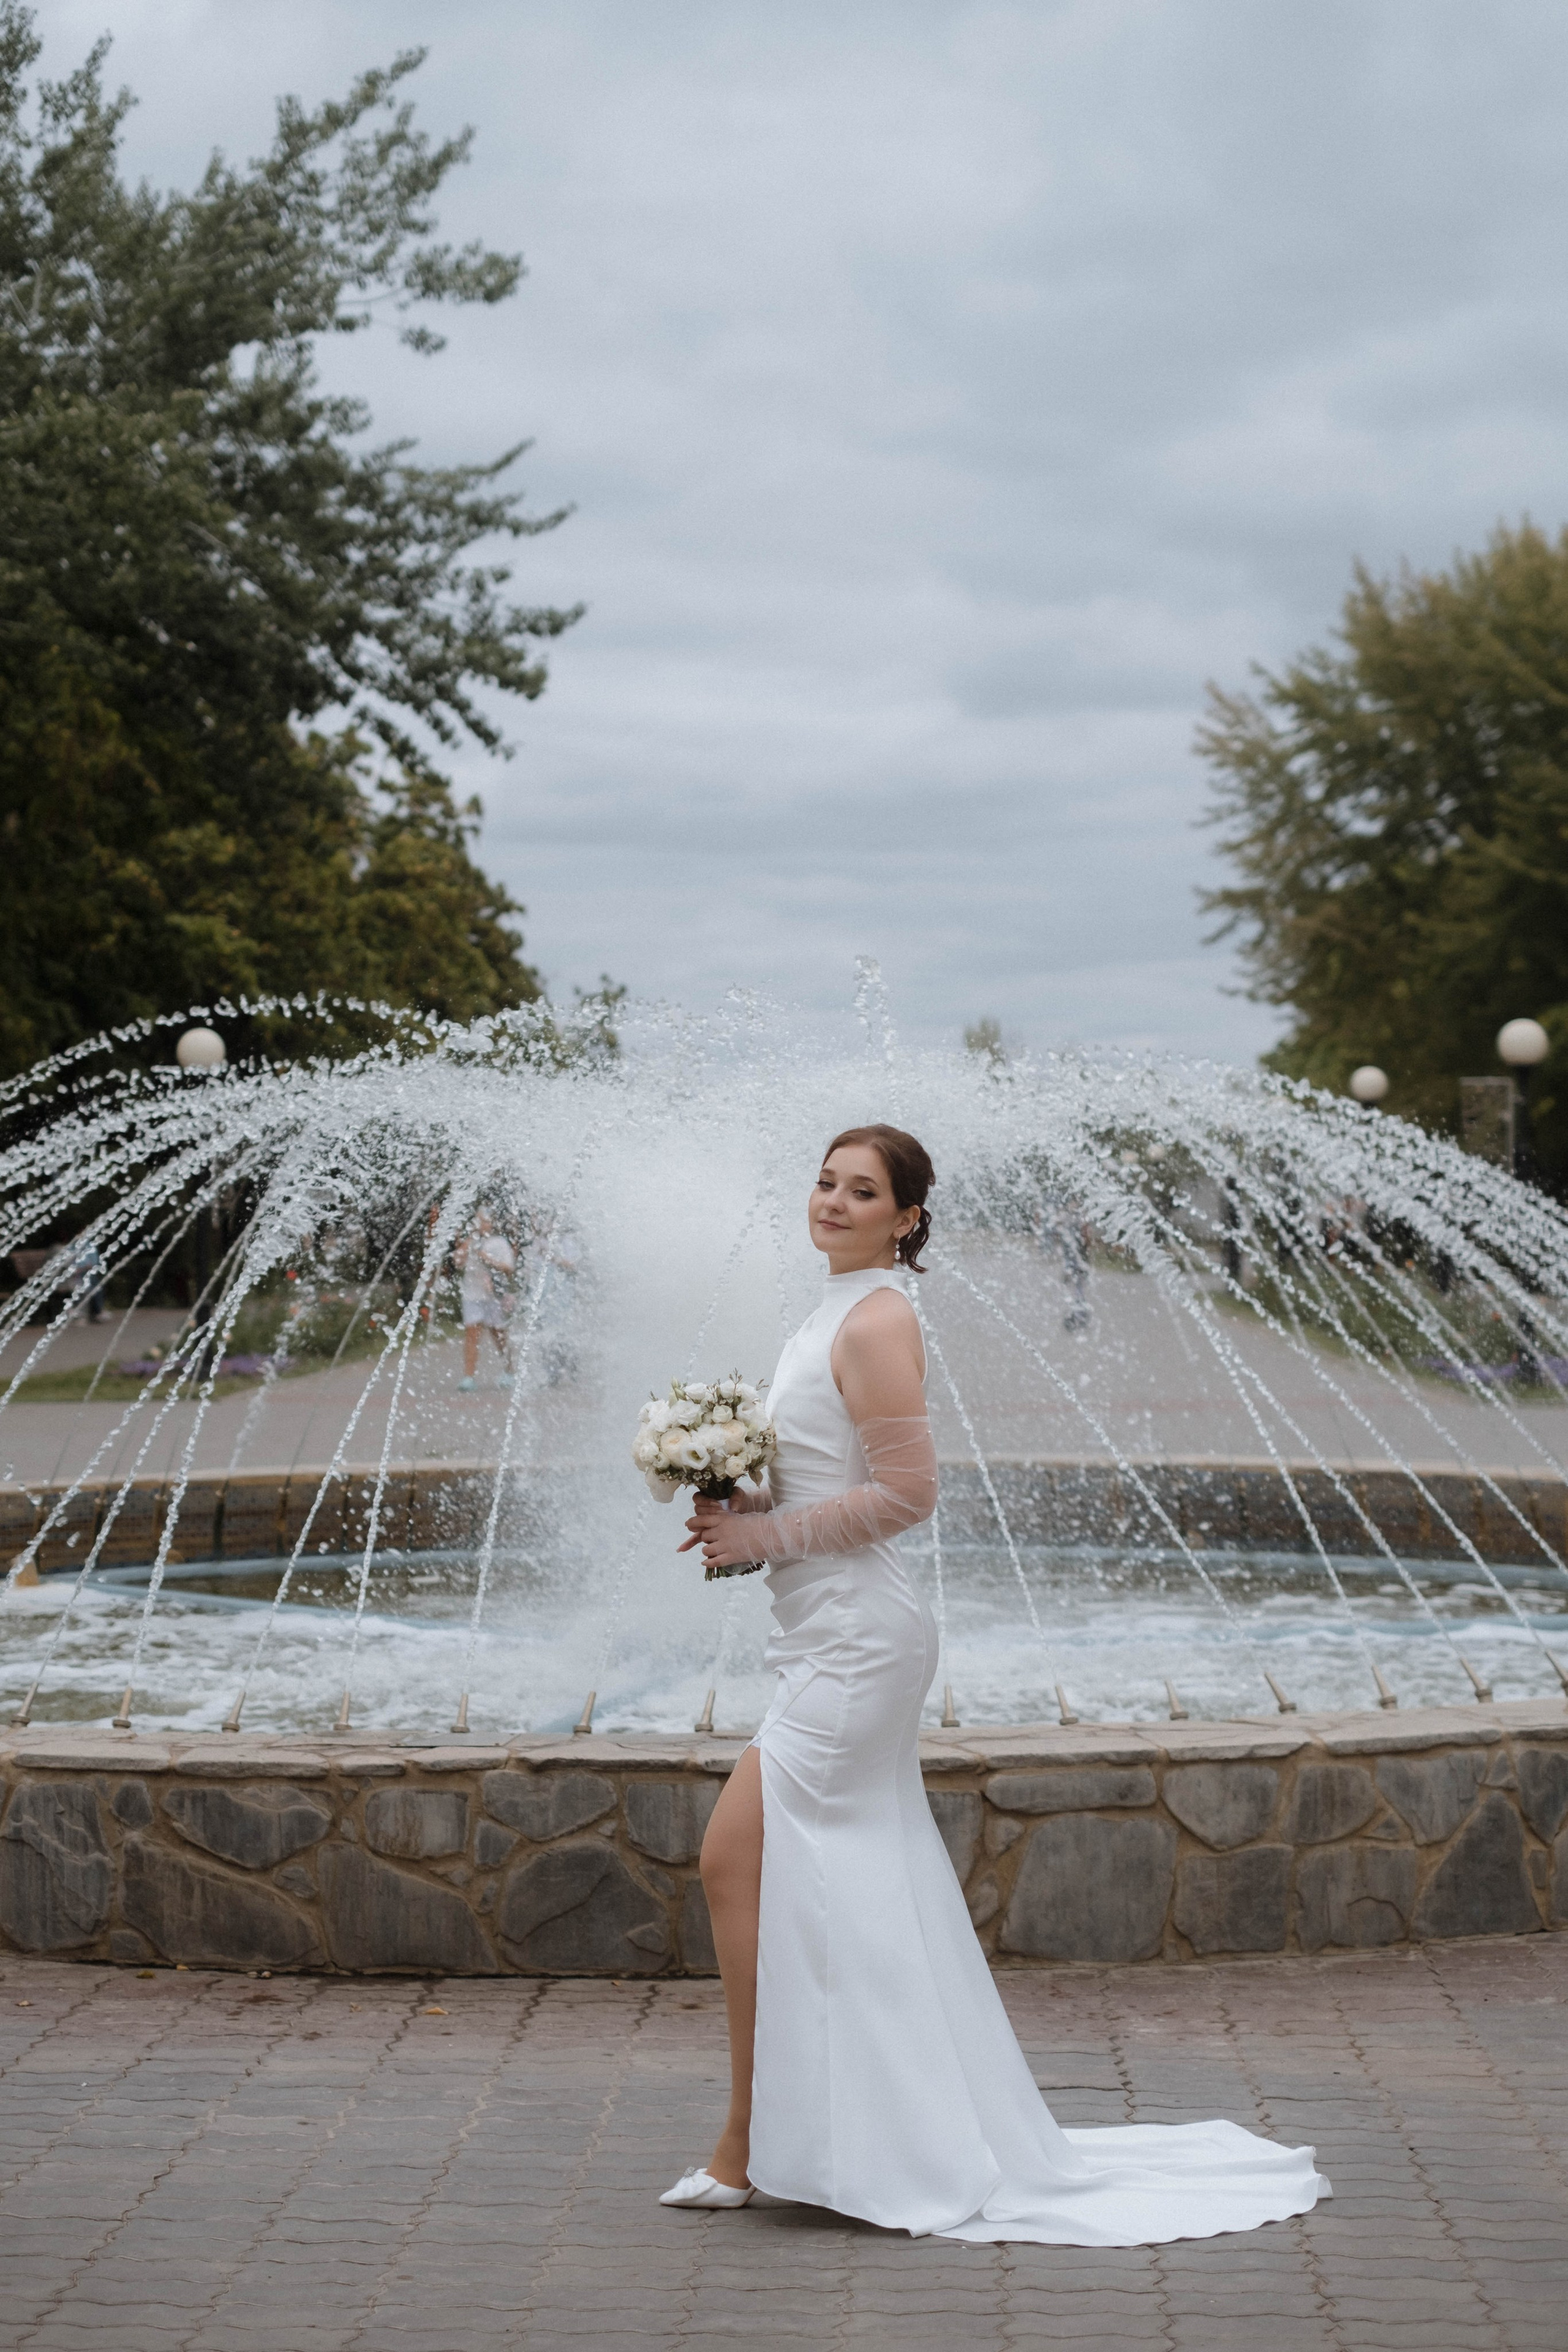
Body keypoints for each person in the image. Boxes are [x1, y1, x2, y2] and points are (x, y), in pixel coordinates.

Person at [661, 1123, 1329, 2245]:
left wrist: (765, 1536)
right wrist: (740, 1505)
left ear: (906, 1218)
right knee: (848, 1887)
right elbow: (829, 1474)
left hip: (858, 1643)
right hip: (821, 1630)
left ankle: (750, 2140)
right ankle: (816, 2134)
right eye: (825, 1182)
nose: (833, 1201)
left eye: (861, 1191)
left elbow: (909, 1493)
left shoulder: (878, 1319)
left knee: (738, 1858)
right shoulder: (831, 1310)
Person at [453, 1210, 514, 1391]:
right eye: (478, 1221)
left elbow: (509, 1269)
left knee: (499, 1334)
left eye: (485, 1221)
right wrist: (467, 1242)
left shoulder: (499, 1243)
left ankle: (509, 1371)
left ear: (492, 1223)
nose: (482, 1225)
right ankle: (469, 1377)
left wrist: (487, 1259)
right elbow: (458, 1262)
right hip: (472, 1294)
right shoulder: (470, 1242)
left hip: (494, 1296)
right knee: (472, 1334)